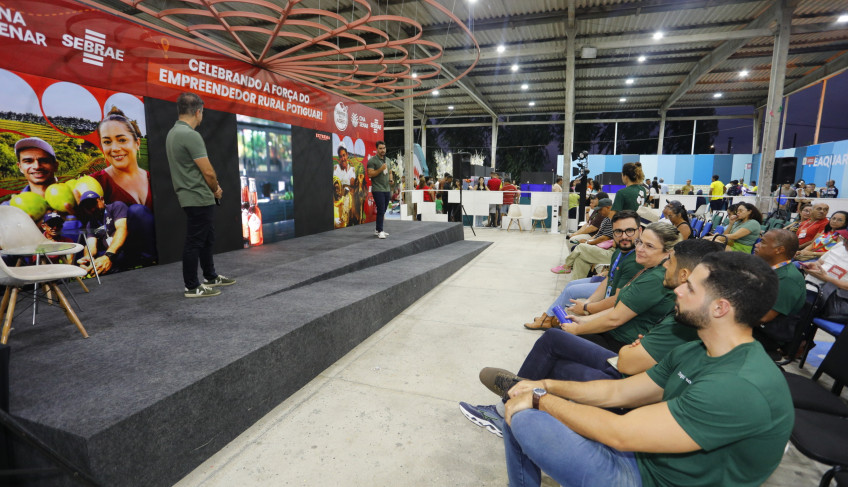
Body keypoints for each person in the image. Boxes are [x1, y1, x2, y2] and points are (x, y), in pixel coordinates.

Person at [499, 252, 792, 487]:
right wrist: (547, 387)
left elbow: (620, 434)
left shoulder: (738, 386)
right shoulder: (696, 349)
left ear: (720, 308)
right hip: (645, 460)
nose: (678, 289)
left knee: (525, 415)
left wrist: (540, 399)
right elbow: (618, 391)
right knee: (524, 402)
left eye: (690, 288)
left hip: (648, 475)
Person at [458, 240, 724, 438]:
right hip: (632, 360)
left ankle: (510, 410)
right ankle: (523, 405)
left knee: (555, 343)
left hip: (626, 365)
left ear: (685, 275)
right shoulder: (649, 276)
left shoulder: (680, 307)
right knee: (557, 355)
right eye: (638, 240)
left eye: (668, 257)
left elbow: (619, 328)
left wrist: (584, 319)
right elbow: (610, 295)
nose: (639, 246)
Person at [562, 222, 680, 352]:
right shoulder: (649, 269)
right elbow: (619, 308)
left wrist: (579, 327)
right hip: (614, 334)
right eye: (640, 242)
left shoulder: (655, 278)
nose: (639, 249)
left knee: (555, 337)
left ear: (668, 253)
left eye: (649, 246)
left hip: (622, 343)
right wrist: (584, 321)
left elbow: (615, 319)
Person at [165, 92, 235, 298]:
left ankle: (210, 276)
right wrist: (216, 190)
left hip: (192, 195)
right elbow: (208, 171)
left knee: (206, 238)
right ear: (198, 112)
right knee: (195, 241)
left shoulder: (172, 133)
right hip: (197, 195)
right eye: (202, 113)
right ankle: (192, 286)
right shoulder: (190, 135)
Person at [530, 211, 642, 330]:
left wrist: (587, 307)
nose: (624, 236)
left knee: (571, 287)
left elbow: (617, 299)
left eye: (629, 231)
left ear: (640, 231)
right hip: (608, 282)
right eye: (618, 231)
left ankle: (548, 318)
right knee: (575, 272)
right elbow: (610, 278)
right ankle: (550, 317)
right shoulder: (620, 251)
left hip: (612, 297)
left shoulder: (637, 258)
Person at [92, 106, 156, 265]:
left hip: (162, 259)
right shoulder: (97, 182)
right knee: (137, 211)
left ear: (137, 143)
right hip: (122, 261)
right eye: (107, 142)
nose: (114, 148)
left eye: (122, 140)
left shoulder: (153, 178)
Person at [752, 229, 807, 354]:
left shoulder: (788, 278)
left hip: (766, 333)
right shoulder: (768, 268)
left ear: (779, 250)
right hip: (754, 323)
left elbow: (764, 317)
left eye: (763, 242)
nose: (757, 244)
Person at [549, 198, 615, 278]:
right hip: (598, 244)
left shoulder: (614, 220)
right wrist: (588, 240)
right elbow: (595, 231)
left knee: (580, 247)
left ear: (608, 207)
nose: (600, 212)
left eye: (601, 209)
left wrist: (588, 242)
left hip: (606, 249)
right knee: (580, 258)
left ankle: (567, 265)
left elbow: (604, 237)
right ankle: (576, 284)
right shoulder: (605, 218)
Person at [366, 141, 391, 238]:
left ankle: (377, 229)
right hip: (377, 189)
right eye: (380, 148)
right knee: (381, 209)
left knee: (384, 209)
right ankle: (380, 230)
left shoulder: (388, 160)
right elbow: (370, 174)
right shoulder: (372, 161)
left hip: (387, 188)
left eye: (384, 148)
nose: (382, 150)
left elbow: (390, 171)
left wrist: (391, 179)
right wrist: (381, 169)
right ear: (377, 149)